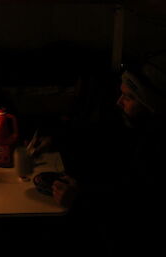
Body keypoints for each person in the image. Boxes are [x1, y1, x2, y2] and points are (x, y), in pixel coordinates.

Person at [50, 59, 166, 255]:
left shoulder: (154, 150)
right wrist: (58, 140)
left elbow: (133, 216)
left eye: (128, 97)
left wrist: (79, 201)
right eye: (121, 94)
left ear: (150, 106)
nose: (118, 102)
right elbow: (101, 142)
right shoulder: (135, 130)